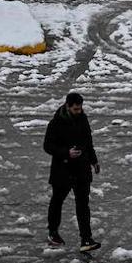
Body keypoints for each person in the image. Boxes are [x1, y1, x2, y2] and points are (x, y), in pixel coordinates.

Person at [44, 91, 101, 252]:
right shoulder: (55, 123)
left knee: (83, 205)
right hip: (63, 170)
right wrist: (66, 153)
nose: (79, 111)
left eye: (80, 108)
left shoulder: (83, 119)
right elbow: (47, 146)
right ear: (68, 107)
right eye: (76, 109)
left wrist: (94, 161)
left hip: (82, 169)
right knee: (57, 201)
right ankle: (53, 232)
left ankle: (86, 239)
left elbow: (88, 142)